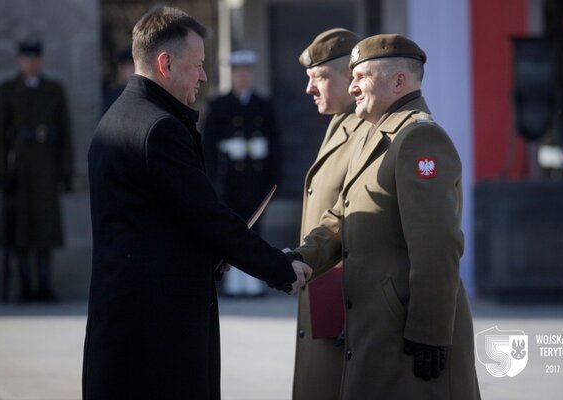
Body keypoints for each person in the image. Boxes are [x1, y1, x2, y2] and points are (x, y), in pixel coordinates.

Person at [82, 6, 311, 400]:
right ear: (166, 63)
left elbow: (159, 222)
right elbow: (207, 216)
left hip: (127, 318)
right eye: (198, 65)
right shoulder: (161, 128)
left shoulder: (120, 115)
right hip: (160, 328)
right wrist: (280, 267)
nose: (205, 77)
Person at [290, 34, 481, 399]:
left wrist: (429, 332)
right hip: (375, 330)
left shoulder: (418, 139)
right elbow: (343, 216)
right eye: (352, 77)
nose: (354, 86)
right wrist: (300, 258)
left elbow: (437, 245)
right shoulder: (373, 133)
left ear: (398, 81)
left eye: (362, 76)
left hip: (406, 336)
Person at [292, 28, 367, 400]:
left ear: (352, 77)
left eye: (319, 77)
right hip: (326, 293)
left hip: (347, 302)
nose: (310, 88)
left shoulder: (368, 128)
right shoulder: (341, 122)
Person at [0, 38, 74, 302]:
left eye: (35, 59)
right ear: (19, 61)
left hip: (46, 168)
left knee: (45, 230)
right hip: (21, 170)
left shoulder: (54, 90)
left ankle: (44, 283)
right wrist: (2, 173)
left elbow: (65, 134)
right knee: (21, 231)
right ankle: (25, 283)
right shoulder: (8, 90)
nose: (31, 64)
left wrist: (66, 171)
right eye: (27, 59)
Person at [203, 50, 281, 297]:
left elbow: (276, 144)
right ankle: (234, 282)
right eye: (238, 73)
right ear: (232, 75)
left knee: (256, 229)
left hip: (255, 179)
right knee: (232, 230)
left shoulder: (263, 104)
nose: (242, 78)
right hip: (229, 181)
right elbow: (208, 145)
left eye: (246, 73)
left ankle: (254, 280)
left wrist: (270, 172)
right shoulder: (218, 105)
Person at [102, 48, 135, 114]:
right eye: (129, 66)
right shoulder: (112, 96)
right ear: (120, 68)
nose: (133, 69)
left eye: (134, 65)